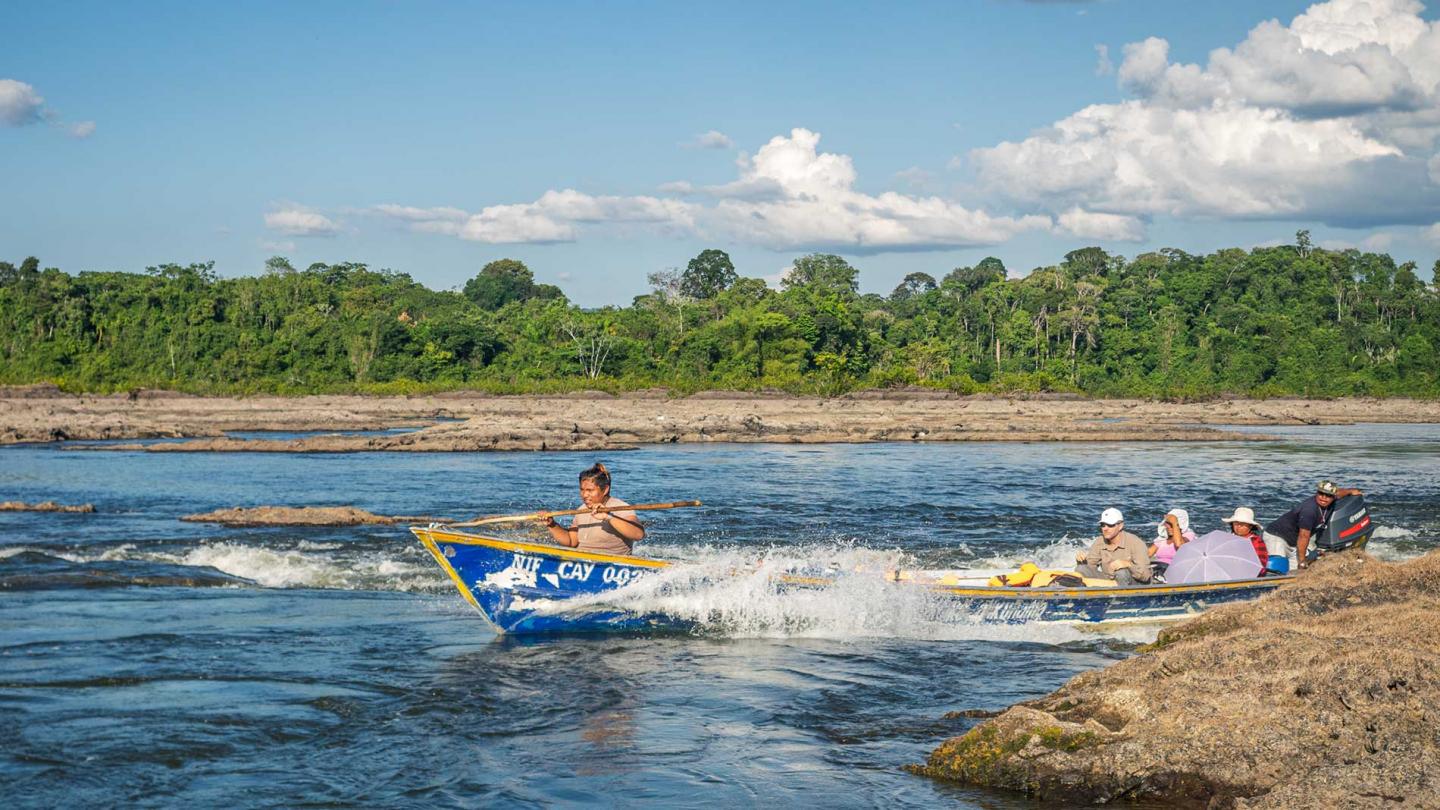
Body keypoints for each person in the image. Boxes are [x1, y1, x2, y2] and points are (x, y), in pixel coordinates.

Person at [537, 462, 645, 555]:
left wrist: (608, 517)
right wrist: (552, 524)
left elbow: (638, 534)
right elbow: (571, 541)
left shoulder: (621, 508)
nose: (584, 495)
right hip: (582, 561)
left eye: (590, 490)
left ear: (605, 489)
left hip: (612, 567)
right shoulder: (581, 510)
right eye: (582, 490)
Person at [1263, 480, 1363, 571]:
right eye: (1321, 494)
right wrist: (1302, 561)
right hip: (1277, 536)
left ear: (1333, 497)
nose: (1324, 498)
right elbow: (1304, 536)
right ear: (1317, 493)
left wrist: (1350, 491)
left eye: (1328, 495)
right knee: (1278, 567)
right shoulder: (1309, 510)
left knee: (1295, 572)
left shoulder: (1333, 498)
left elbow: (1340, 493)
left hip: (1294, 542)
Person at [1075, 508, 1152, 585]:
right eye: (1103, 525)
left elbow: (1146, 576)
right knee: (1081, 568)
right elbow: (1090, 567)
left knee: (1121, 572)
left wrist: (1128, 565)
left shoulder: (1136, 543)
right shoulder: (1099, 542)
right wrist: (1082, 561)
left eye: (1110, 525)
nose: (1105, 528)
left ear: (1120, 526)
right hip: (1109, 581)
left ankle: (1122, 596)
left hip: (1134, 584)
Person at [1222, 507, 1269, 577]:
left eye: (1243, 524)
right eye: (1236, 523)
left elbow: (1261, 565)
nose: (1239, 526)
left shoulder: (1256, 542)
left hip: (1250, 575)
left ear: (1250, 527)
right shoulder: (1227, 539)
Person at [1148, 510, 1194, 577]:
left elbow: (1179, 545)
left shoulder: (1188, 535)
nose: (1169, 527)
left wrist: (1174, 522)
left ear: (1180, 525)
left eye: (1171, 525)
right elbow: (1147, 554)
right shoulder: (1162, 539)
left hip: (1174, 571)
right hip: (1158, 569)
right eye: (1167, 524)